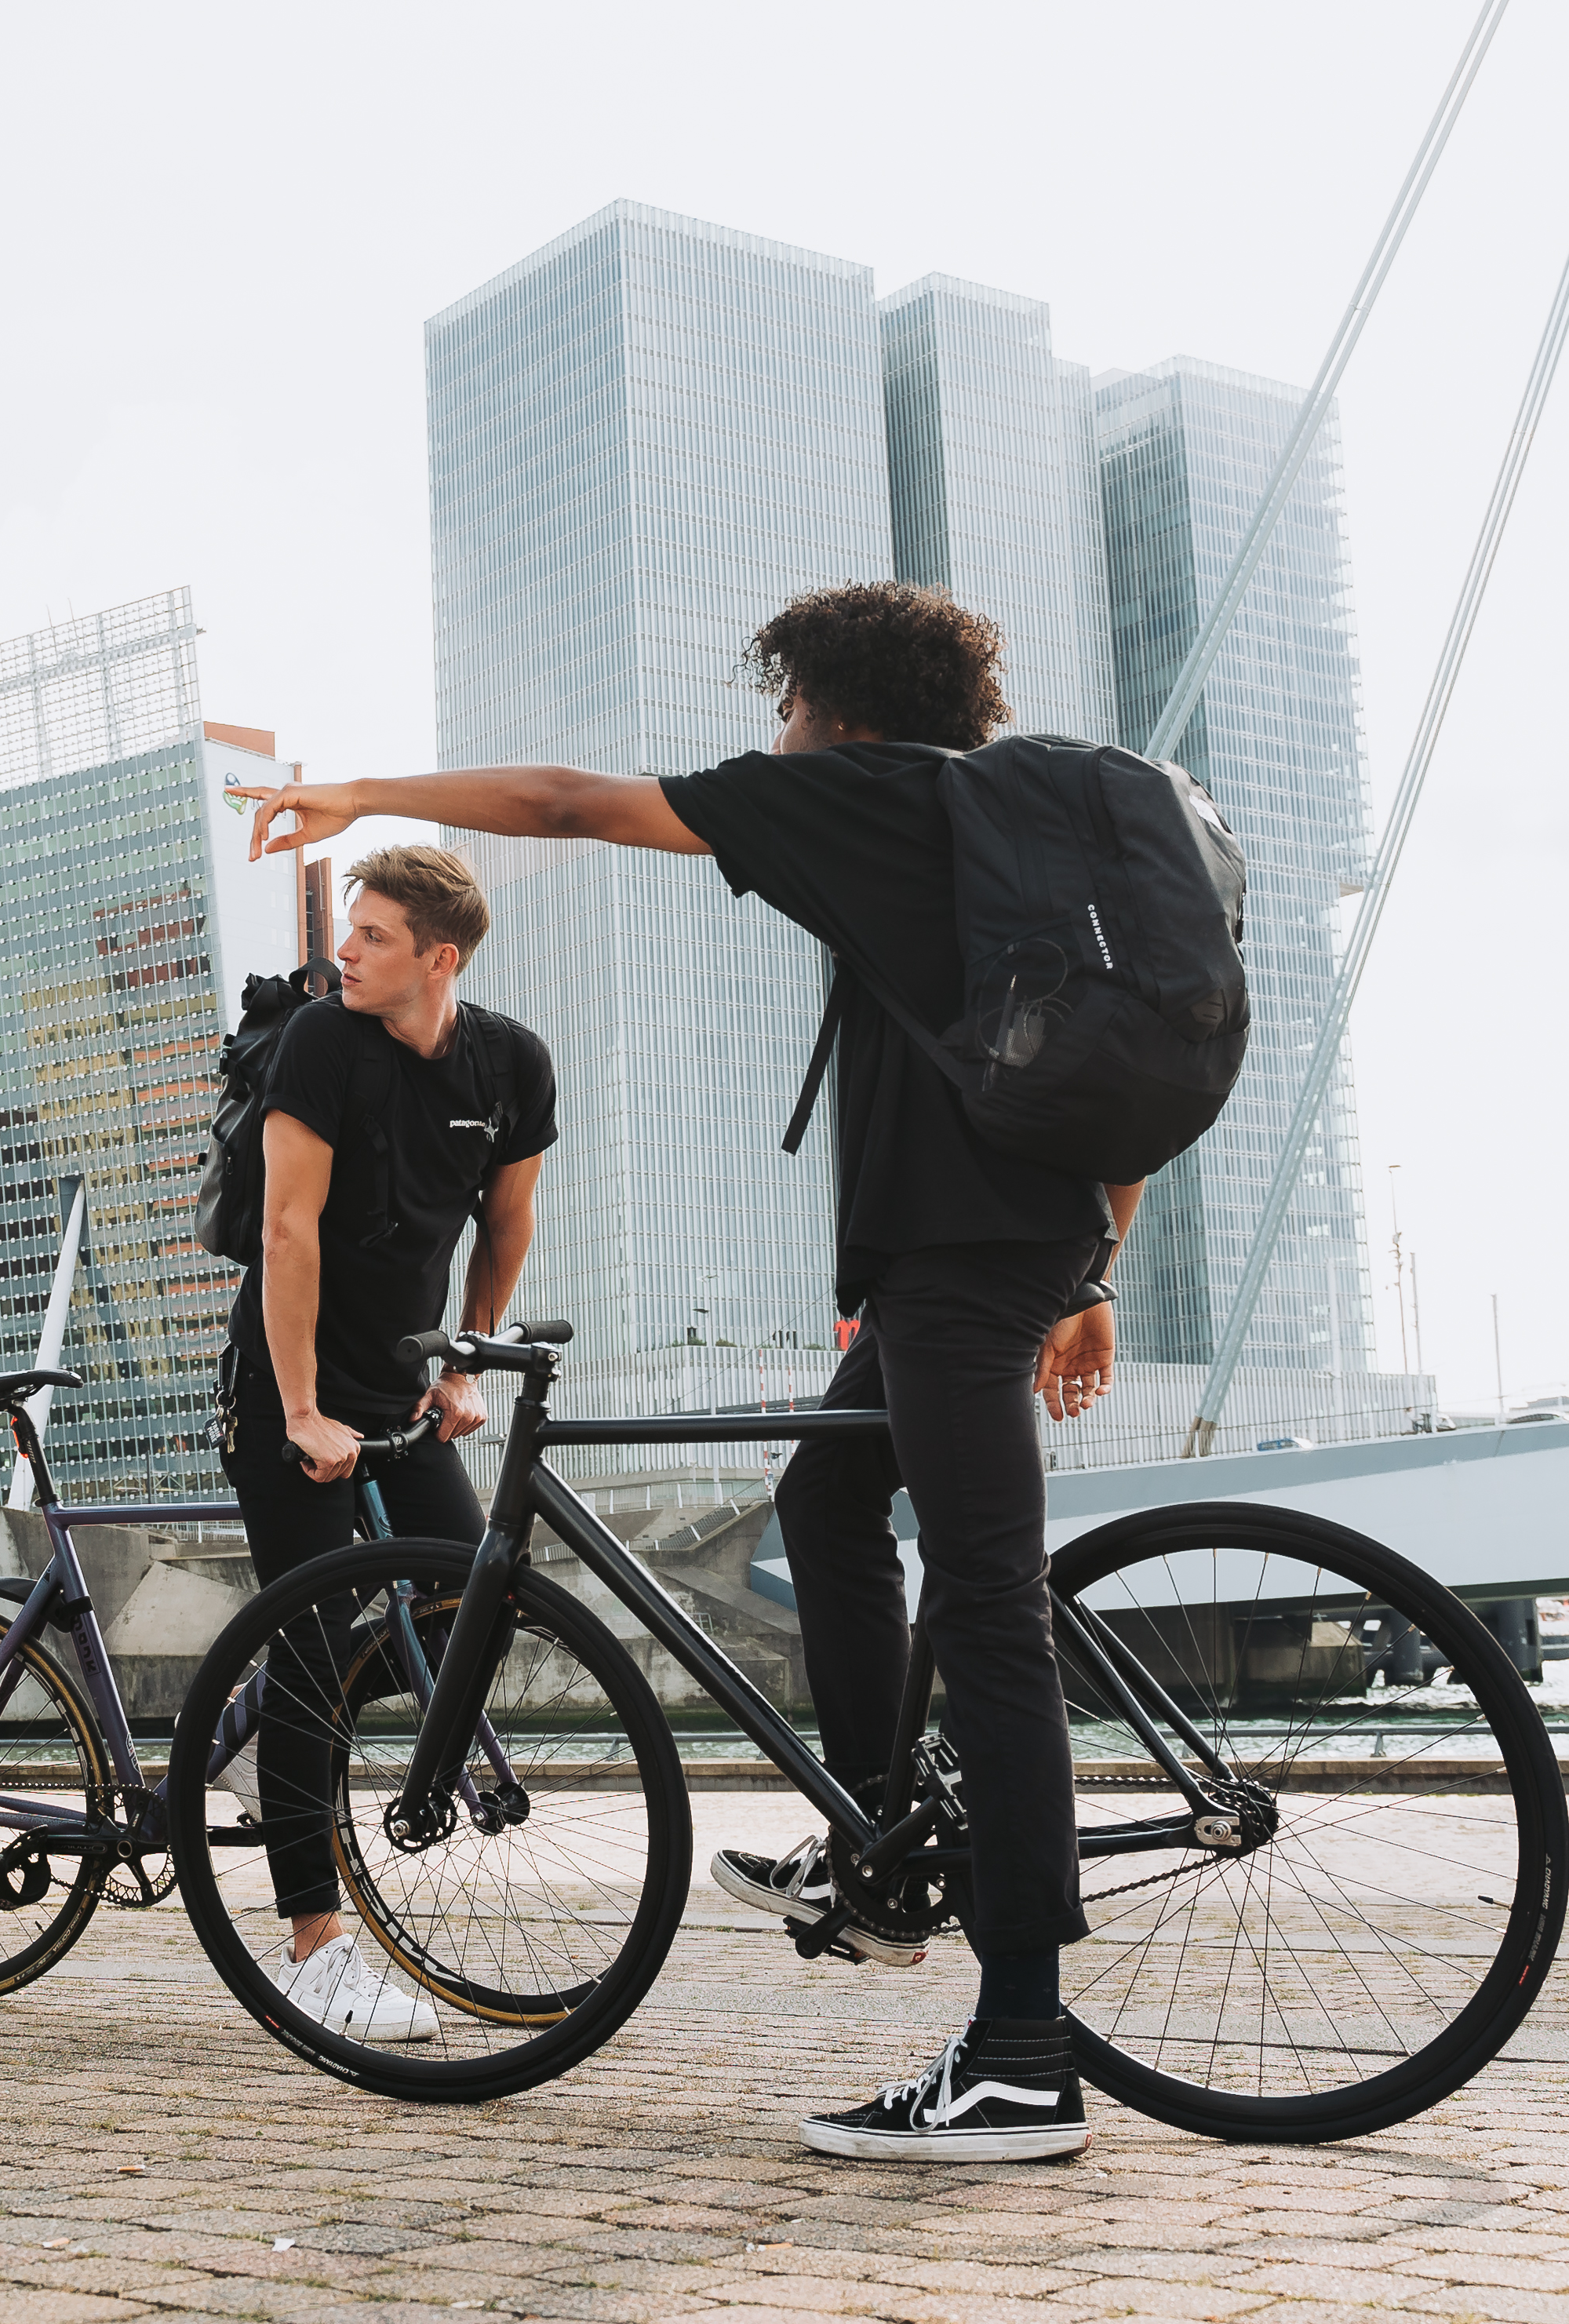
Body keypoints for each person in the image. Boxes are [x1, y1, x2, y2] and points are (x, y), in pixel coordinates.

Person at [231, 581, 1141, 2162]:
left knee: (990, 1606)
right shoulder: (1020, 826)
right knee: (828, 1503)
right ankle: (877, 1835)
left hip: (954, 1263)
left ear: (837, 712)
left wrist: (363, 790)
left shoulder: (864, 792)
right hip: (1008, 1248)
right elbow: (1130, 1050)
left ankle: (1018, 2053)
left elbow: (565, 802)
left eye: (785, 708)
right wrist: (1095, 1265)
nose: (773, 736)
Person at [219, 841, 559, 2045]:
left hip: (404, 1396)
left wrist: (465, 1361)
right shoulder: (324, 1042)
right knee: (312, 1645)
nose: (345, 950)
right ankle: (315, 1947)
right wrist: (302, 1408)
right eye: (348, 927)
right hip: (291, 1390)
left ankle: (263, 1728)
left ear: (439, 957)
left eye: (372, 935)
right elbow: (288, 1226)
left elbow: (507, 1222)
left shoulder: (509, 1064)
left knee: (482, 1598)